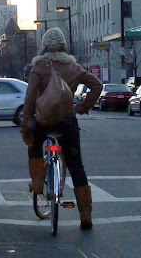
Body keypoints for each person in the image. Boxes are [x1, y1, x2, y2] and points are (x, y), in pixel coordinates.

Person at [20, 27, 103, 230]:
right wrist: (83, 107)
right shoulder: (74, 68)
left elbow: (30, 97)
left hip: (43, 122)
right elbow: (97, 86)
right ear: (64, 45)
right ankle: (85, 215)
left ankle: (38, 184)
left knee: (34, 144)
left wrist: (27, 122)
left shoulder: (39, 67)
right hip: (67, 122)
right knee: (76, 166)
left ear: (44, 46)